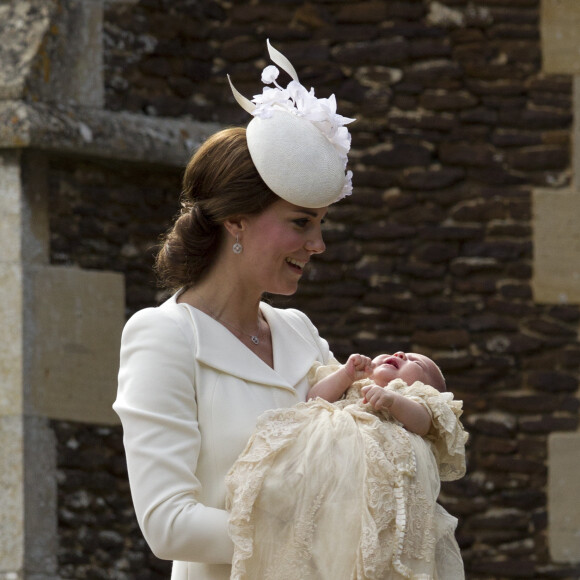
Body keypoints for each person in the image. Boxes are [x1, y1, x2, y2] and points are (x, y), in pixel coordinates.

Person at [114, 41, 355, 580]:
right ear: (236, 221)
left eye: (320, 225)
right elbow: (167, 523)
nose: (317, 245)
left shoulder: (299, 332)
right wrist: (319, 532)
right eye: (300, 222)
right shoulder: (163, 336)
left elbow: (353, 455)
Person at [226, 351, 468, 580]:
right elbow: (313, 397)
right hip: (322, 456)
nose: (401, 355)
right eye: (395, 353)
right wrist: (345, 374)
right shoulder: (354, 385)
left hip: (365, 479)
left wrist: (393, 401)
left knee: (360, 532)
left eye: (417, 363)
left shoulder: (413, 398)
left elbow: (422, 423)